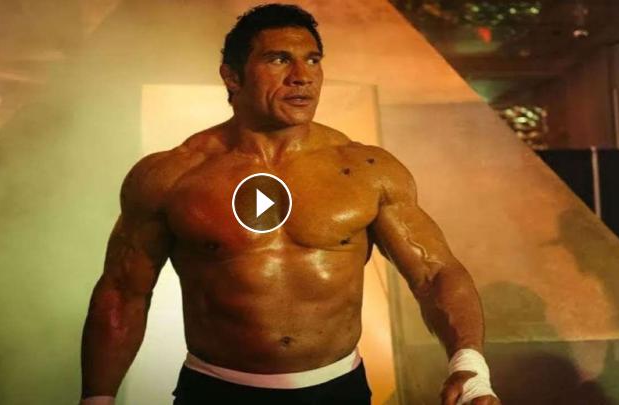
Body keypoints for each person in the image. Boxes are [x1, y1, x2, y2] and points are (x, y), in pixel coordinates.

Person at [80, 4, 500, 405]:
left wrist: (469, 366)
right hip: (216, 393)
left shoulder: (368, 170)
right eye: (279, 60)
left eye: (313, 60)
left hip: (336, 393)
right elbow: (123, 293)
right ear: (232, 76)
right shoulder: (171, 175)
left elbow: (434, 272)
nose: (302, 77)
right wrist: (97, 397)